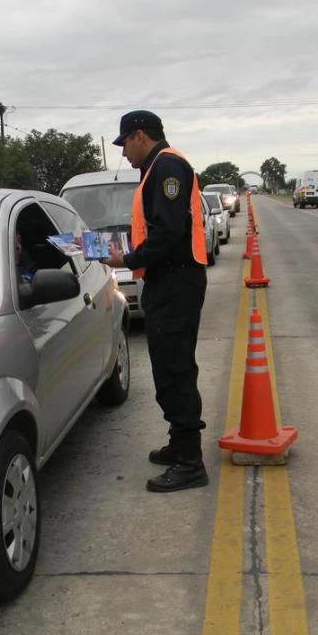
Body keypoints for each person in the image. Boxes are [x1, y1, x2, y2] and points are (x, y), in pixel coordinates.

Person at [103, 110, 209, 493]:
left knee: (176, 371)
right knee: (168, 368)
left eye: (124, 145)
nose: (124, 154)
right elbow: (159, 231)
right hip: (169, 280)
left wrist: (128, 260)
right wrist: (130, 251)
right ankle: (180, 444)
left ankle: (190, 463)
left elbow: (168, 234)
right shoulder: (158, 168)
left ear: (139, 136)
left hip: (177, 282)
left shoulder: (166, 168)